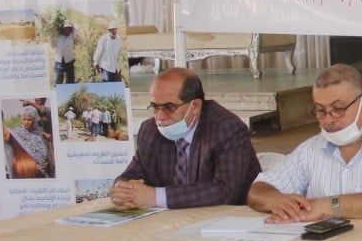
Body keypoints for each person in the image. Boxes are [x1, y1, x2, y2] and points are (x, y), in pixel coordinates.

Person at [248, 64, 362, 222]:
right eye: (320, 110)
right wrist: (276, 200)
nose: (328, 120)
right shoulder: (311, 149)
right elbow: (257, 190)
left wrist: (328, 205)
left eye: (338, 109)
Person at [111, 67, 261, 209]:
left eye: (169, 107)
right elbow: (132, 174)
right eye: (155, 107)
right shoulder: (150, 130)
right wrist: (123, 190)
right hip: (172, 219)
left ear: (195, 106)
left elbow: (225, 191)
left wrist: (155, 197)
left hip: (229, 218)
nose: (160, 117)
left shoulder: (226, 129)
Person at [3, 105, 53, 179]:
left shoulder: (38, 134)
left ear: (34, 121)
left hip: (40, 174)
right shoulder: (18, 132)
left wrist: (45, 164)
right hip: (23, 173)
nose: (26, 122)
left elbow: (44, 153)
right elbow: (6, 133)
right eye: (24, 119)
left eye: (29, 120)